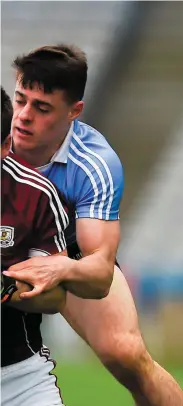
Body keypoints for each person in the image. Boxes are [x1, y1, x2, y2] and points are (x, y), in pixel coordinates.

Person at [5, 45, 183, 405]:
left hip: (67, 248)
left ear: (74, 111)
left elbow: (100, 273)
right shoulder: (2, 131)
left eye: (42, 108)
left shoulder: (94, 164)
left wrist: (60, 267)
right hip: (9, 235)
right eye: (20, 99)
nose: (23, 116)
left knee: (126, 353)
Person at [1, 86, 68, 406]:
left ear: (4, 146)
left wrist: (7, 287)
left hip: (17, 380)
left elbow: (55, 298)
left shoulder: (36, 194)